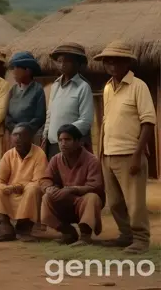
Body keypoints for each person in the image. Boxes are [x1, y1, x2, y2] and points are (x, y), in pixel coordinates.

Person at [94, 41, 154, 254]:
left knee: (134, 202)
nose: (112, 65)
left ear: (127, 62)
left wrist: (138, 154)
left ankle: (140, 239)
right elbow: (106, 120)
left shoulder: (139, 86)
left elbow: (148, 122)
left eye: (117, 61)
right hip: (108, 153)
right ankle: (125, 235)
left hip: (130, 153)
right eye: (108, 61)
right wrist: (100, 153)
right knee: (116, 202)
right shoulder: (108, 87)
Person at [40, 124, 104, 246]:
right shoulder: (56, 159)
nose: (63, 143)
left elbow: (96, 186)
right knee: (46, 197)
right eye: (60, 140)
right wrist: (49, 188)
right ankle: (68, 233)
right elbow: (45, 179)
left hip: (83, 201)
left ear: (78, 142)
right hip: (65, 200)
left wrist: (71, 189)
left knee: (92, 197)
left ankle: (85, 237)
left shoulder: (92, 160)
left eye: (67, 139)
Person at [0, 123, 48, 242]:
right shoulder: (8, 155)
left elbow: (39, 180)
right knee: (0, 191)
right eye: (15, 135)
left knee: (33, 189)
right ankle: (6, 227)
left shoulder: (39, 154)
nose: (17, 139)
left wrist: (21, 186)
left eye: (22, 135)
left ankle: (24, 228)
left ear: (31, 138)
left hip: (28, 192)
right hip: (12, 191)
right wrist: (5, 187)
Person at [42, 43, 94, 158]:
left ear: (78, 64)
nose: (62, 64)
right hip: (53, 145)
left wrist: (65, 135)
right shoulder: (55, 86)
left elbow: (86, 121)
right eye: (60, 61)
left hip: (72, 146)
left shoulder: (83, 87)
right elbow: (50, 114)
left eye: (67, 61)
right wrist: (45, 135)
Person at [4, 52, 45, 152]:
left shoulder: (37, 90)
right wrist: (15, 129)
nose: (13, 71)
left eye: (16, 68)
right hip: (13, 136)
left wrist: (24, 131)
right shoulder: (13, 90)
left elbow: (39, 117)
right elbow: (7, 115)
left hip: (31, 137)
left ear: (27, 70)